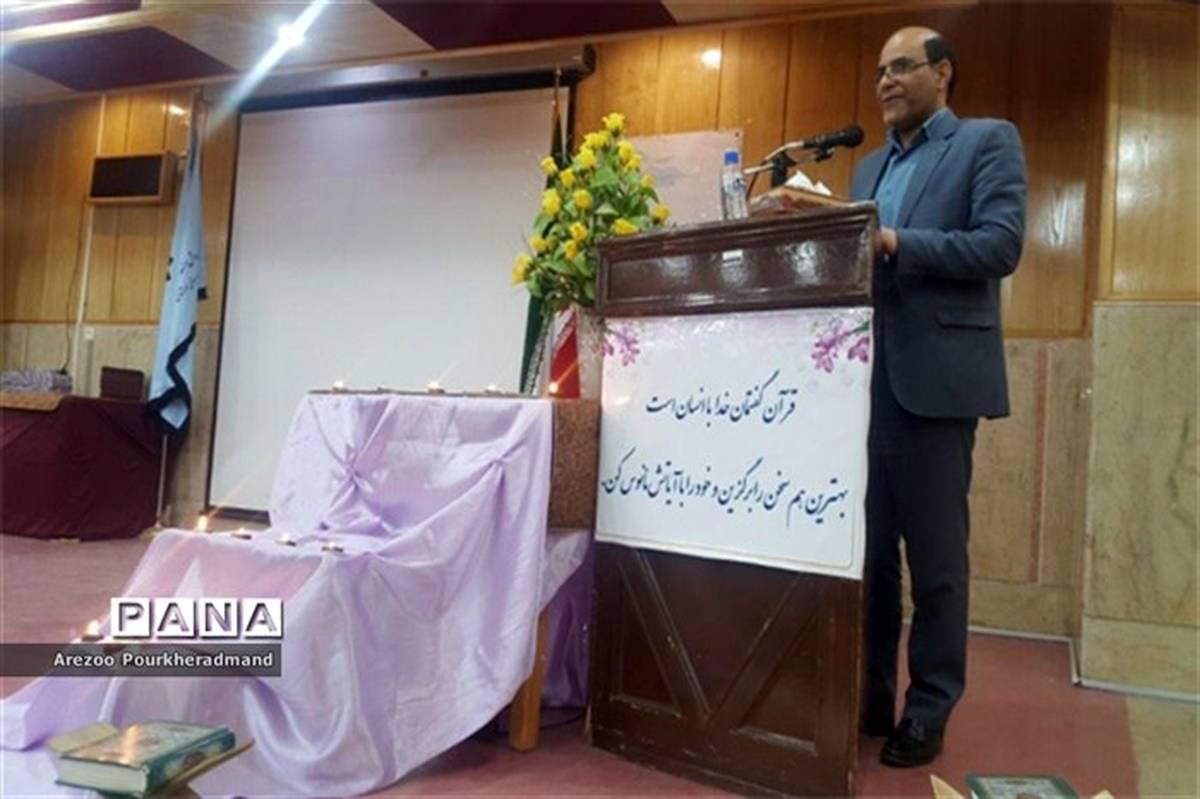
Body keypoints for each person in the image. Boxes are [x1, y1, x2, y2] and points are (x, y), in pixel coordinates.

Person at [849, 26, 1027, 768]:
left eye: (902, 67)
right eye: (879, 72)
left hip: (937, 385)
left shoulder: (987, 142)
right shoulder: (866, 168)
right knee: (868, 558)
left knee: (936, 564)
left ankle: (928, 709)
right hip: (861, 387)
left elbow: (1000, 244)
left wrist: (898, 242)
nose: (886, 82)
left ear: (942, 72)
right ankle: (868, 700)